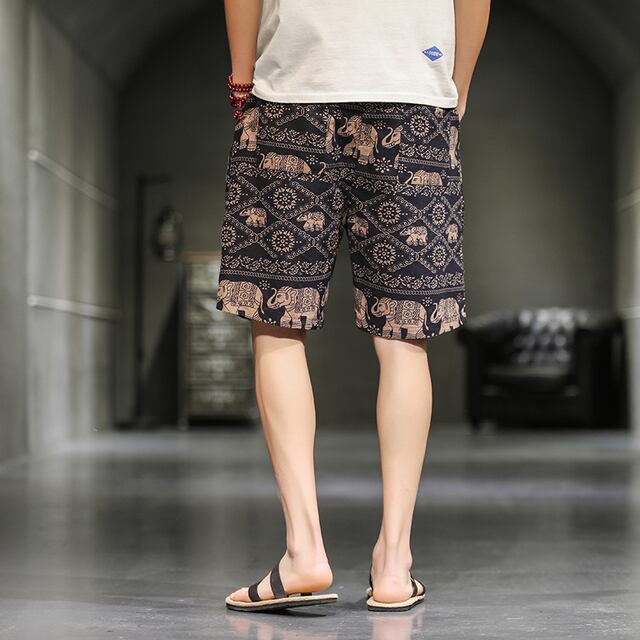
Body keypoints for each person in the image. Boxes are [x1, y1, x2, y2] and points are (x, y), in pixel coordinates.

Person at [217, 0, 490, 613]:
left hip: (291, 94)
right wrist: (454, 86)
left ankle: (304, 552)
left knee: (277, 325)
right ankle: (394, 565)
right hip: (414, 97)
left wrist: (243, 80)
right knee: (404, 338)